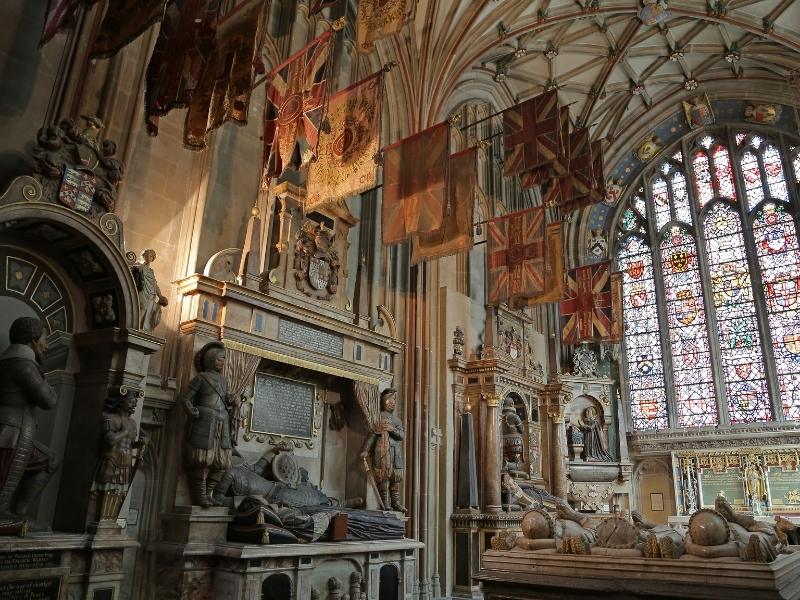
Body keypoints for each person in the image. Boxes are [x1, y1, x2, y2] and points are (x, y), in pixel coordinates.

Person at [0, 317, 59, 520]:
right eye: (44, 339)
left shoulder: (8, 362)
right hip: (11, 433)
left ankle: (17, 517)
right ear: (33, 340)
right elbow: (49, 400)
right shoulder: (24, 365)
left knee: (48, 460)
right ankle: (10, 518)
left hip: (11, 430)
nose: (47, 345)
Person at [181, 342, 237, 508]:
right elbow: (185, 398)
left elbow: (224, 400)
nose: (223, 362)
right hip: (206, 421)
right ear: (212, 360)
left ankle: (210, 493)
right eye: (220, 359)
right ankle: (200, 495)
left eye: (224, 359)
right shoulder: (201, 378)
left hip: (222, 421)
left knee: (222, 462)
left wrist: (231, 400)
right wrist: (192, 410)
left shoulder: (224, 380)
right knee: (203, 460)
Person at [90, 389, 145, 522]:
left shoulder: (132, 423)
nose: (134, 404)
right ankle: (100, 522)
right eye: (131, 401)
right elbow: (110, 440)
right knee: (105, 492)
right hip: (111, 460)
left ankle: (109, 522)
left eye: (135, 401)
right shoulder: (110, 418)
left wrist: (140, 444)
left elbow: (129, 443)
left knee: (118, 494)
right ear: (121, 402)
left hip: (126, 462)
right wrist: (124, 432)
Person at [360, 388, 406, 512]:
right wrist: (365, 450)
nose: (394, 402)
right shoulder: (378, 418)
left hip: (395, 452)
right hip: (381, 451)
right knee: (383, 478)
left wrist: (393, 429)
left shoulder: (397, 420)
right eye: (392, 400)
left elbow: (401, 436)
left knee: (395, 478)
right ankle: (385, 503)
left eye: (395, 400)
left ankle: (395, 502)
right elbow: (372, 435)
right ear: (385, 401)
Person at [132, 249, 168, 332]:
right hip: (142, 291)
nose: (148, 257)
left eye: (151, 256)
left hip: (151, 294)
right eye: (147, 255)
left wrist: (160, 296)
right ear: (143, 256)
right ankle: (134, 326)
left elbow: (155, 284)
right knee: (142, 307)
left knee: (148, 310)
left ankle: (142, 328)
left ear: (153, 258)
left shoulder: (151, 271)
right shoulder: (138, 266)